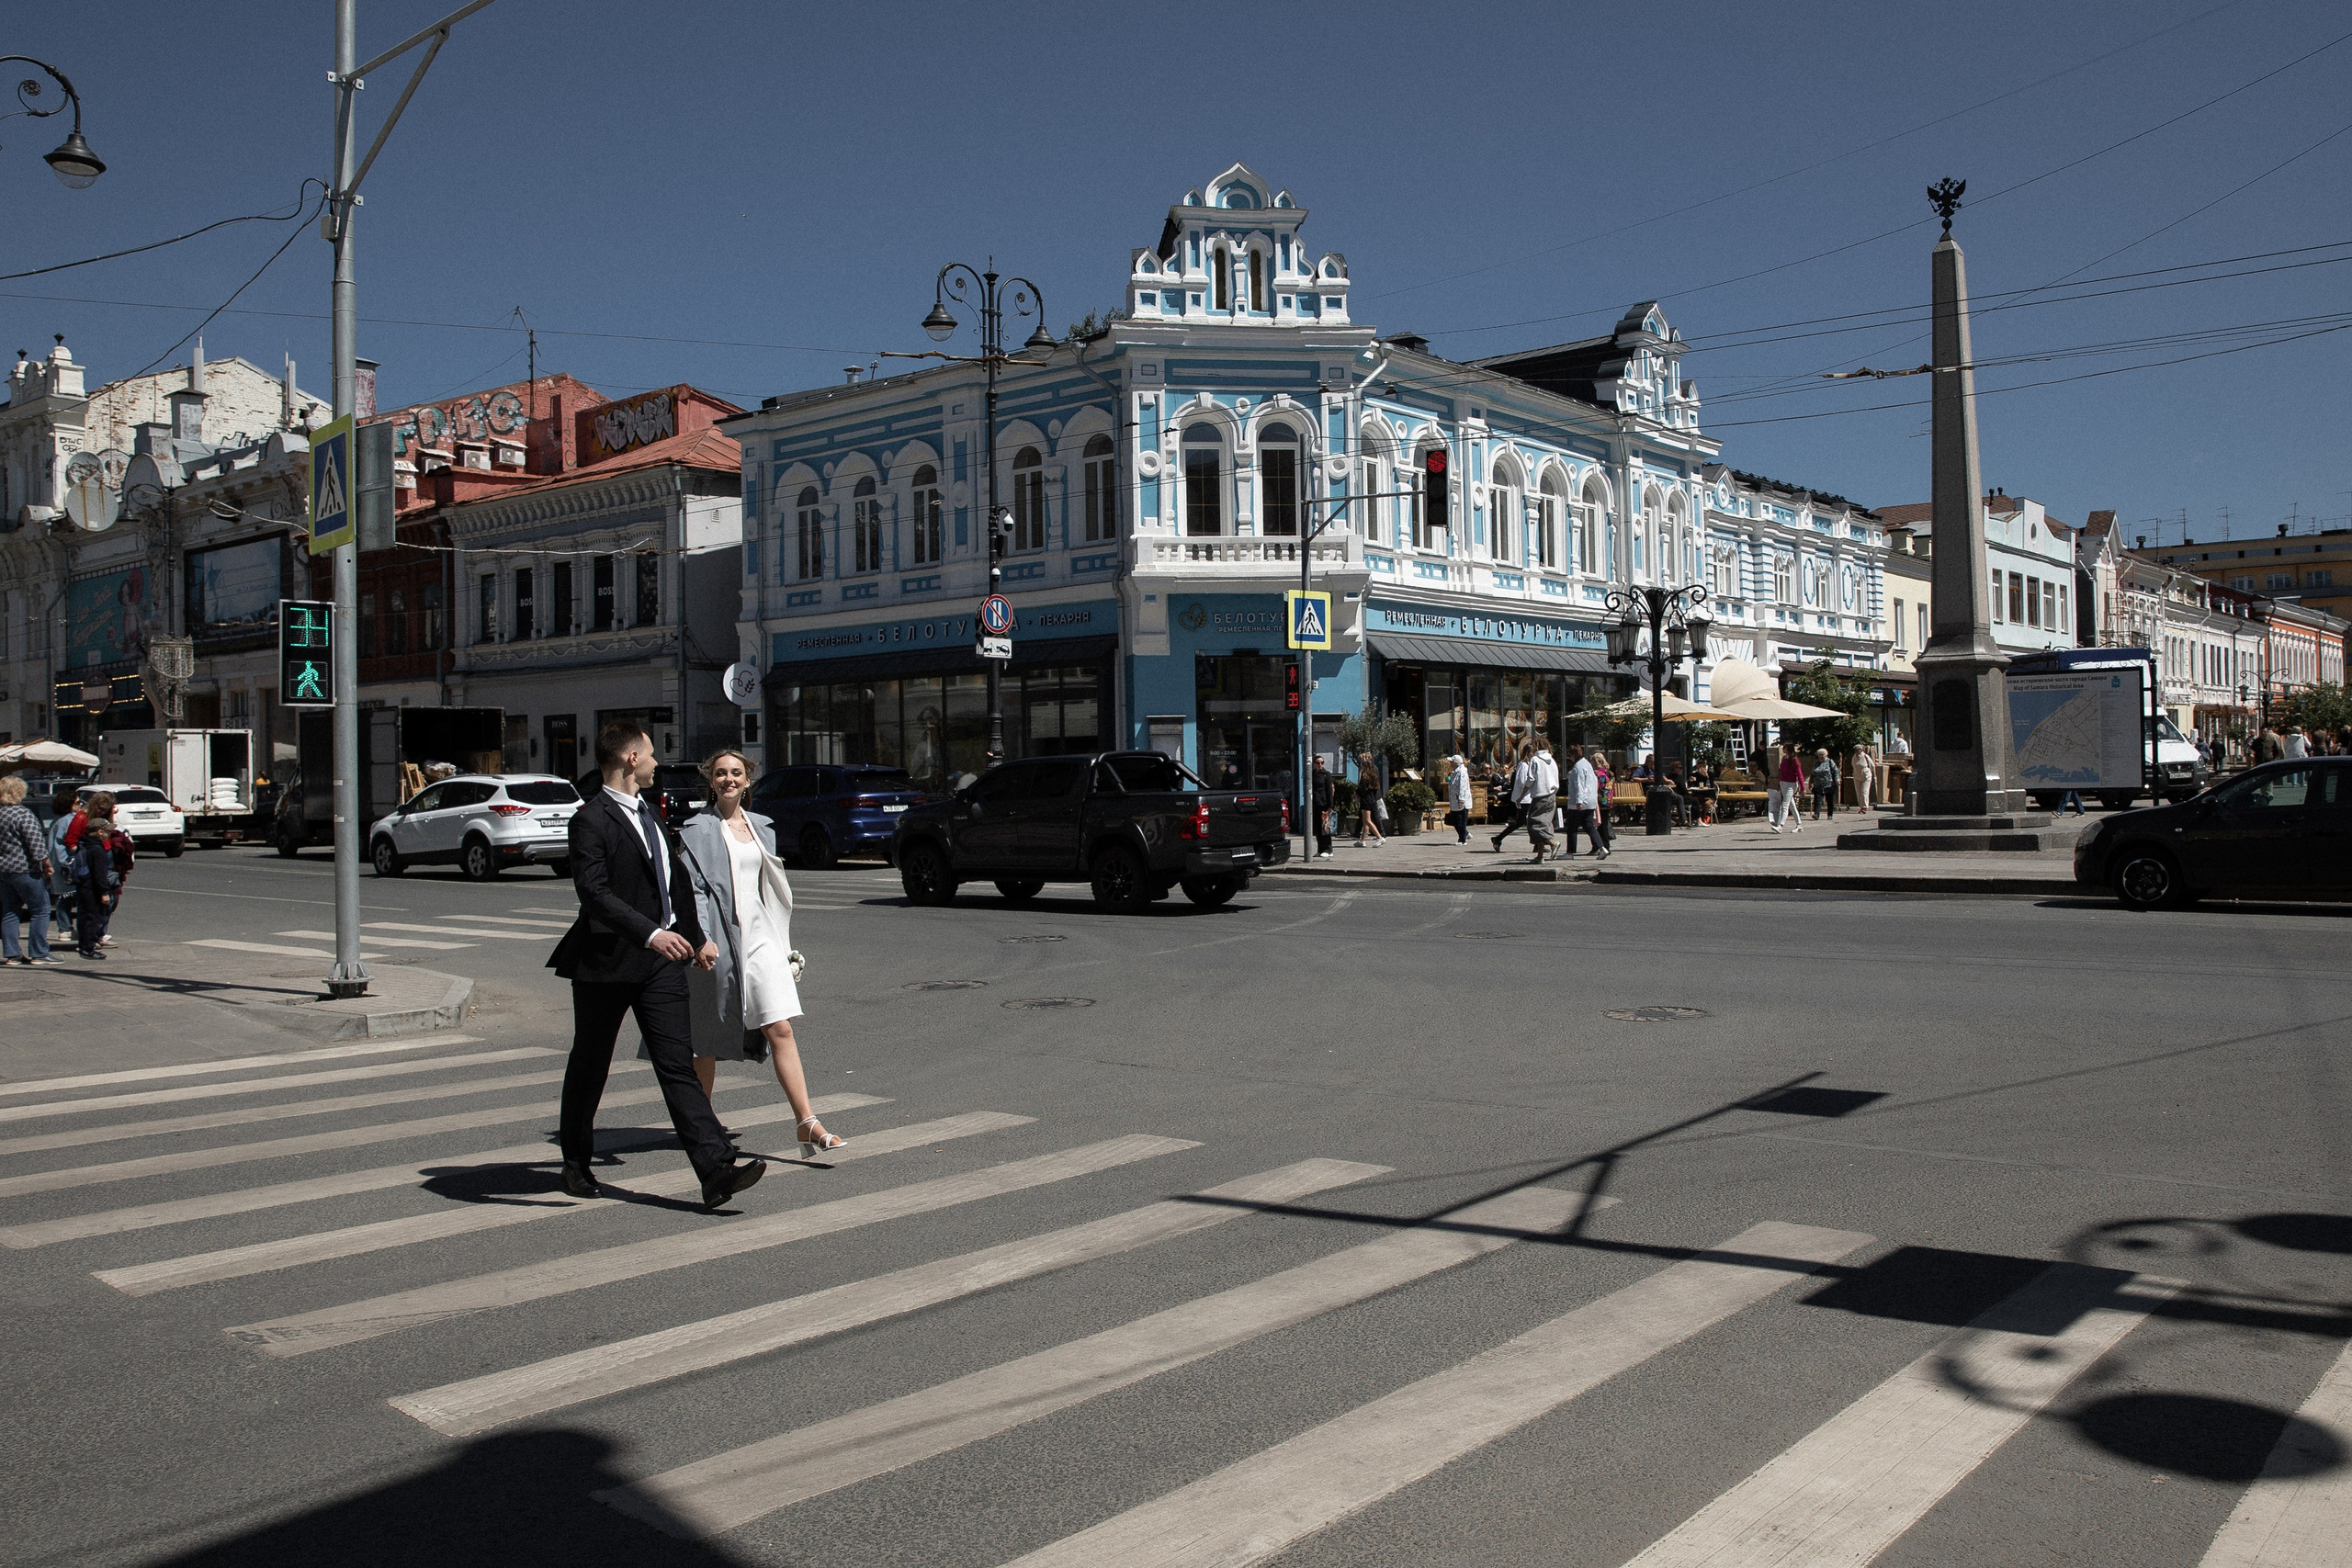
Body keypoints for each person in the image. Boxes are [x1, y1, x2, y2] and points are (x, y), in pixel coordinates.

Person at [548, 721, 764, 1213]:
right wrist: (650, 933)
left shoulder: (649, 813)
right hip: (606, 961)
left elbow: (676, 884)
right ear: (629, 759)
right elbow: (595, 895)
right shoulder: (591, 820)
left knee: (677, 1064)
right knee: (591, 1063)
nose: (655, 763)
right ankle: (576, 1162)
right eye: (649, 754)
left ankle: (715, 1170)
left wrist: (695, 937)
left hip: (661, 964)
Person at [676, 748, 845, 1162]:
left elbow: (769, 888)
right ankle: (704, 1126)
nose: (729, 779)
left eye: (736, 772)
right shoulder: (695, 830)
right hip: (719, 939)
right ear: (711, 782)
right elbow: (692, 889)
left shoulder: (762, 828)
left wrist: (783, 943)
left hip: (762, 938)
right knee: (707, 1039)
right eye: (720, 773)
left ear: (748, 780)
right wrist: (700, 938)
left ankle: (807, 1122)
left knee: (781, 1027)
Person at [0, 775, 58, 965]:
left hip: (3, 871)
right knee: (41, 909)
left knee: (9, 911)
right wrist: (47, 864)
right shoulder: (23, 814)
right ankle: (39, 953)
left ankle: (12, 954)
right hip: (25, 870)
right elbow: (36, 843)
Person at [69, 792, 123, 960]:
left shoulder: (90, 844)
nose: (101, 811)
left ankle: (91, 941)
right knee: (93, 914)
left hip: (88, 876)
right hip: (91, 880)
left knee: (91, 911)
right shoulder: (93, 846)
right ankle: (88, 946)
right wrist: (104, 892)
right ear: (99, 832)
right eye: (100, 808)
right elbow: (99, 876)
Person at [1511, 739, 1560, 864]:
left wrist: (1521, 797)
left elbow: (1530, 780)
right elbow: (1556, 779)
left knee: (1533, 824)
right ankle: (1540, 856)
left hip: (1539, 796)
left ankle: (1552, 843)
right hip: (1551, 795)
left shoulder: (1535, 760)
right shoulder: (1552, 761)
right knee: (1544, 824)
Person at [47, 786, 80, 948]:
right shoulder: (69, 821)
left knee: (65, 897)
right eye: (77, 803)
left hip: (59, 864)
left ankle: (66, 928)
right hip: (67, 865)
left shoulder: (57, 821)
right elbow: (62, 846)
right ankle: (66, 928)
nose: (80, 805)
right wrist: (68, 863)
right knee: (70, 897)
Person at [1563, 743, 1606, 859]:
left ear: (1573, 754)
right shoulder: (1587, 764)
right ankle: (1602, 848)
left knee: (1572, 827)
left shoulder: (1578, 767)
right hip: (1591, 800)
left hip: (1579, 801)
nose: (1570, 758)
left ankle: (1569, 852)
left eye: (1570, 755)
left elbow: (1579, 785)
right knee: (1589, 826)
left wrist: (1578, 801)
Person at [1353, 752, 1385, 847]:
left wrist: (1356, 793)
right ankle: (1362, 840)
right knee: (1365, 820)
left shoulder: (1364, 776)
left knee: (1367, 820)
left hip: (1366, 800)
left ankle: (1380, 837)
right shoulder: (1373, 775)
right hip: (1372, 798)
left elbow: (1361, 789)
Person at [1772, 744, 1805, 834]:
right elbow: (1782, 772)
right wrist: (1779, 783)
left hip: (1791, 784)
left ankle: (1780, 826)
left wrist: (1803, 787)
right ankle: (1799, 825)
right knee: (1792, 805)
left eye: (1785, 747)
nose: (1783, 749)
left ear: (1789, 749)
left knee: (1785, 804)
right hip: (1783, 783)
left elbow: (1799, 774)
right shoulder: (1784, 758)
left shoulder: (1794, 760)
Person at [1310, 756, 1336, 859]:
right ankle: (1320, 849)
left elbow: (1329, 790)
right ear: (1314, 764)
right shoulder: (1312, 774)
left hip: (1324, 804)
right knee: (1317, 828)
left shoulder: (1326, 774)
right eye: (1318, 763)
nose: (1320, 765)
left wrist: (1330, 805)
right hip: (1315, 804)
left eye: (1322, 763)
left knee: (1325, 827)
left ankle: (1328, 849)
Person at [1444, 751, 1472, 844]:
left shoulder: (1462, 772)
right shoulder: (1456, 772)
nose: (1450, 764)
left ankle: (1462, 839)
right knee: (1455, 820)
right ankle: (1465, 834)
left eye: (1452, 762)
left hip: (1460, 801)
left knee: (1460, 820)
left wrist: (1461, 800)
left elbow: (1462, 787)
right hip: (1454, 801)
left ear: (1456, 763)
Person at [1809, 748, 1841, 820]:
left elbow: (1835, 771)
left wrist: (1837, 780)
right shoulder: (1816, 763)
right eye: (1819, 755)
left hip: (1829, 784)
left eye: (1822, 755)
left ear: (1826, 755)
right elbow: (1812, 773)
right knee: (1817, 800)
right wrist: (1810, 782)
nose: (1821, 756)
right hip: (1818, 785)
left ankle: (1830, 814)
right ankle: (1816, 814)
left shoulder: (1830, 761)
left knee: (1830, 800)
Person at [1851, 745, 1877, 814]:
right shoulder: (1854, 757)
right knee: (1859, 792)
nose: (1856, 751)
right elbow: (1854, 766)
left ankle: (1864, 807)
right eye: (1855, 750)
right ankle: (1861, 806)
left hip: (1866, 776)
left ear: (1861, 750)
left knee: (1864, 791)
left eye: (1857, 750)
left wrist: (1872, 773)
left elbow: (1872, 766)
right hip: (1857, 776)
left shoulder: (1865, 756)